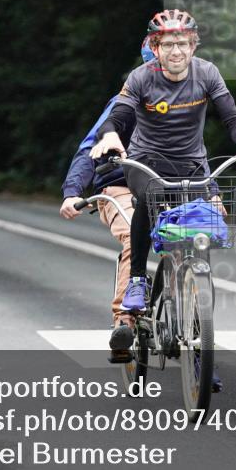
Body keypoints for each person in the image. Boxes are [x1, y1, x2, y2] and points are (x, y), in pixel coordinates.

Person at [89, 9, 236, 346]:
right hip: (146, 162)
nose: (176, 51)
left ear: (193, 46)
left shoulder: (207, 73)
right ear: (156, 46)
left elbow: (231, 116)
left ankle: (199, 334)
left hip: (191, 164)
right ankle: (137, 279)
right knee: (149, 201)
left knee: (201, 232)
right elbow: (118, 116)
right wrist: (109, 135)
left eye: (182, 43)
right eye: (167, 44)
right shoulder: (141, 77)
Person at [60, 95, 136, 362]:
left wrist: (212, 192)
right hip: (122, 185)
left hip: (169, 187)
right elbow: (90, 149)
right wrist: (73, 191)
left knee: (194, 237)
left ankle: (197, 340)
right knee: (135, 233)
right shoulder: (126, 101)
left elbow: (196, 153)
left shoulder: (190, 96)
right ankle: (124, 323)